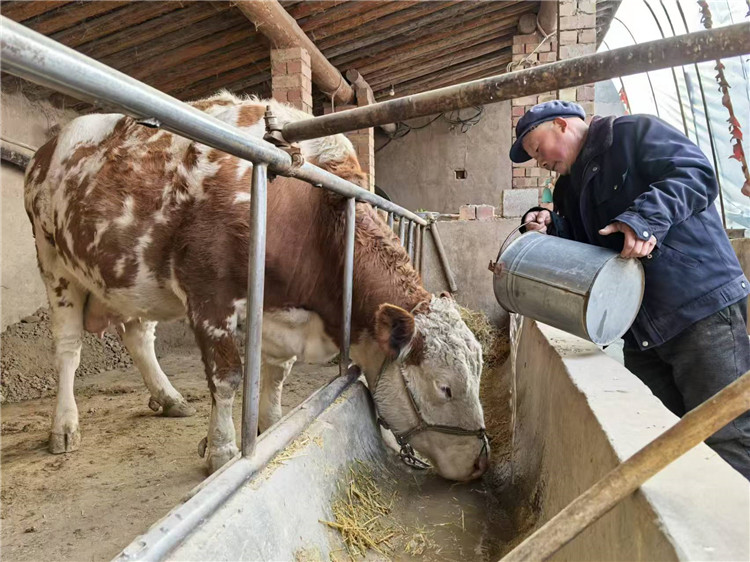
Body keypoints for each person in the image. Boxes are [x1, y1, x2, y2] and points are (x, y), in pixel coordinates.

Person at [510, 100, 750, 479]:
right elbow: (585, 248)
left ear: (560, 125)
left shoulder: (632, 133)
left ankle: (735, 530)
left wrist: (643, 220)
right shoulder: (569, 189)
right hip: (639, 327)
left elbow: (696, 174)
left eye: (537, 150)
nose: (539, 162)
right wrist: (549, 226)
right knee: (666, 432)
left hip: (697, 308)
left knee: (726, 431)